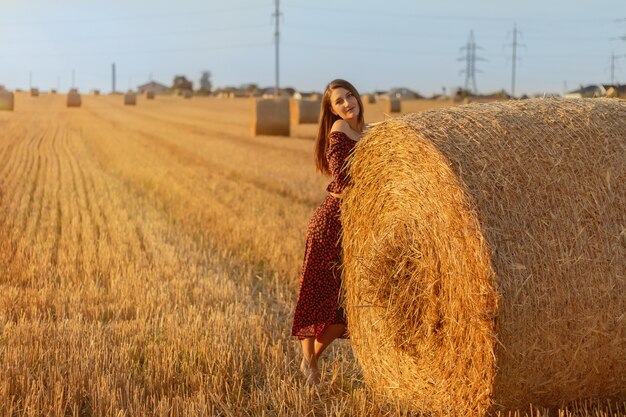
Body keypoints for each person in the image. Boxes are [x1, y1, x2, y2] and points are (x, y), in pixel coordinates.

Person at [291, 79, 365, 385]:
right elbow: (341, 176)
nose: (347, 103)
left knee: (343, 312)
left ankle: (310, 362)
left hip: (356, 227)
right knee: (316, 298)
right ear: (331, 110)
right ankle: (310, 365)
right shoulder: (339, 132)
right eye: (339, 101)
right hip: (330, 224)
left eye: (349, 96)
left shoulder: (369, 131)